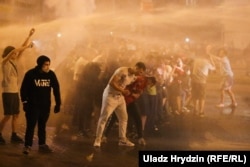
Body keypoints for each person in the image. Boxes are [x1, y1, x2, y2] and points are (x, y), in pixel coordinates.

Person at [93, 62, 145, 147]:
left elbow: (133, 84)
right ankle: (98, 139)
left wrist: (137, 91)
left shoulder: (133, 76)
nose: (140, 74)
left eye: (142, 73)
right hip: (110, 96)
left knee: (124, 118)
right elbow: (112, 83)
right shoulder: (122, 71)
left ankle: (122, 140)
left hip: (119, 97)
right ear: (136, 67)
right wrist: (123, 91)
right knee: (104, 118)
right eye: (140, 71)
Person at [20, 55, 61, 155]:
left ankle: (42, 144)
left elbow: (56, 89)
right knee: (31, 126)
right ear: (40, 65)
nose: (48, 67)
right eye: (45, 65)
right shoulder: (30, 74)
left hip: (45, 105)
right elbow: (23, 89)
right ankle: (27, 146)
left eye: (48, 64)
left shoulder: (51, 74)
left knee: (42, 126)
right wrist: (24, 102)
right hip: (32, 105)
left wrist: (58, 103)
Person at [0, 28, 35, 145]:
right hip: (8, 92)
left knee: (16, 114)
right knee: (8, 115)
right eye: (13, 53)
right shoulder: (4, 61)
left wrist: (28, 36)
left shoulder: (14, 62)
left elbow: (21, 50)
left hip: (14, 92)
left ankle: (14, 135)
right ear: (9, 53)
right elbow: (17, 50)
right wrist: (28, 46)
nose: (15, 54)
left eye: (15, 53)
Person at [191, 45, 216, 117]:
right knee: (202, 97)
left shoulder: (196, 61)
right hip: (202, 82)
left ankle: (195, 111)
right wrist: (211, 59)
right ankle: (201, 112)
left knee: (195, 96)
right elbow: (214, 69)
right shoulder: (207, 62)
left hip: (194, 81)